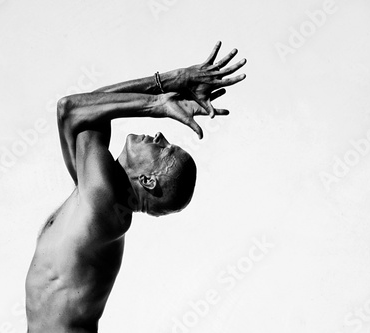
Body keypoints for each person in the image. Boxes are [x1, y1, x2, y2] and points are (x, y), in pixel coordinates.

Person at [25, 41, 246, 333]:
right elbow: (75, 110)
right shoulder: (95, 190)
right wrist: (171, 83)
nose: (159, 135)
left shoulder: (102, 202)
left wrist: (159, 100)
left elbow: (76, 108)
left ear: (148, 180)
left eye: (164, 148)